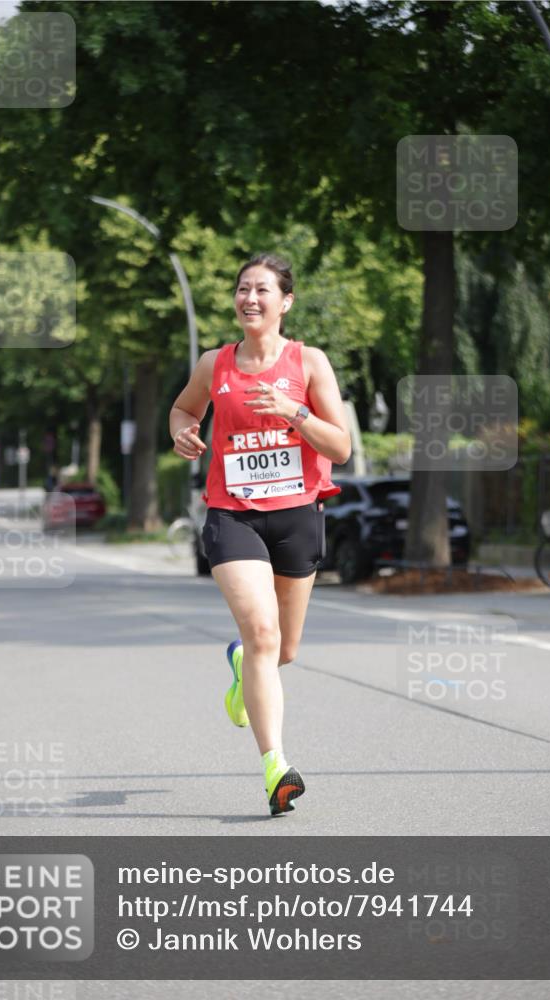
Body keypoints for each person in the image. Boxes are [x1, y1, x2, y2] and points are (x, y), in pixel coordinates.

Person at [169, 253, 351, 816]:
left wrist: (293, 410)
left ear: (285, 302)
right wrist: (183, 432)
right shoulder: (214, 364)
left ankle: (240, 666)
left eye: (262, 290)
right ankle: (276, 767)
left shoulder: (309, 362)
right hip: (234, 516)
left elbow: (341, 447)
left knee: (282, 651)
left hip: (297, 515)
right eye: (242, 288)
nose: (249, 298)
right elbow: (183, 409)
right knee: (263, 635)